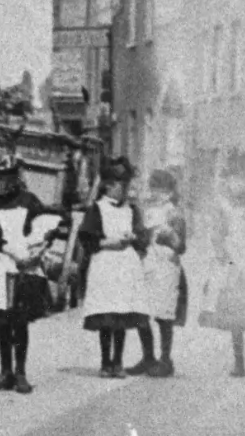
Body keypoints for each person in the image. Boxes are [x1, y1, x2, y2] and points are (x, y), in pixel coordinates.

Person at [0, 149, 59, 393]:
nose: (3, 181)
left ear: (16, 176)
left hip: (27, 262)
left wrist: (38, 250)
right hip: (2, 262)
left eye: (8, 176)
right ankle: (5, 371)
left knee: (21, 318)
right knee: (3, 320)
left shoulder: (29, 201)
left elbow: (45, 228)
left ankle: (21, 372)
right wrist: (13, 253)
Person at [79, 155, 151, 378]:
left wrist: (134, 237)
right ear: (108, 186)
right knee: (106, 313)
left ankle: (118, 361)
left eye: (126, 185)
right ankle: (105, 362)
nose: (124, 190)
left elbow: (142, 236)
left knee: (121, 314)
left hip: (126, 266)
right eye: (120, 185)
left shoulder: (131, 210)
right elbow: (87, 238)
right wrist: (108, 242)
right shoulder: (97, 209)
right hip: (105, 263)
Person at [199, 150, 245, 377]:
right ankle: (239, 361)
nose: (237, 184)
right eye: (232, 180)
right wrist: (224, 256)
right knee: (236, 314)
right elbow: (217, 235)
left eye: (241, 179)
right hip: (234, 262)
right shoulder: (223, 206)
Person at [128, 168, 188, 378]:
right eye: (153, 189)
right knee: (140, 311)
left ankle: (165, 359)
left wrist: (170, 235)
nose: (156, 193)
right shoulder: (148, 211)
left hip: (167, 267)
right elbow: (142, 238)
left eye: (161, 190)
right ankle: (148, 357)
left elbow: (181, 247)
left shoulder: (174, 214)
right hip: (148, 264)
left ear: (170, 192)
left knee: (163, 316)